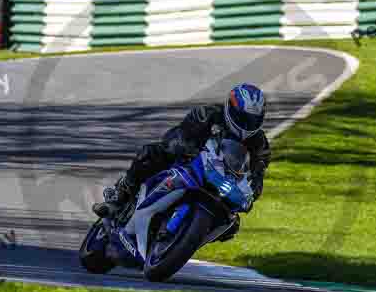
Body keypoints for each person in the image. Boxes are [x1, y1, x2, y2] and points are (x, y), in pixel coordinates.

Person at [93, 84, 270, 242]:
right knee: (152, 154)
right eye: (243, 118)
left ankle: (185, 238)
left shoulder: (259, 143)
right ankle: (120, 195)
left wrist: (254, 189)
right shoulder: (208, 114)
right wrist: (185, 147)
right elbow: (181, 134)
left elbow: (258, 174)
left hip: (221, 182)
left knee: (232, 225)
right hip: (190, 161)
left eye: (253, 121)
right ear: (230, 108)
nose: (247, 124)